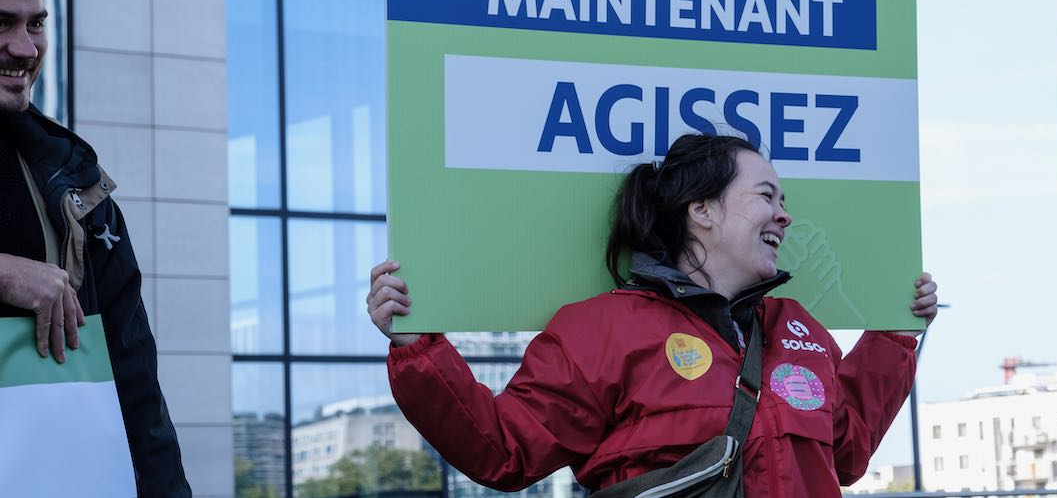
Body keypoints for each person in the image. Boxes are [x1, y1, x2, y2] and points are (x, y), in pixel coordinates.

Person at [369, 132, 937, 496]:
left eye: (784, 202)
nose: (784, 216)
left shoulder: (798, 329)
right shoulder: (602, 331)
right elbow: (503, 450)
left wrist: (894, 336)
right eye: (767, 196)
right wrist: (415, 349)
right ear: (703, 210)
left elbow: (847, 452)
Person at [0, 0, 190, 496]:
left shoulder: (78, 187)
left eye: (35, 23)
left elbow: (137, 393)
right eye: (1, 24)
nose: (25, 48)